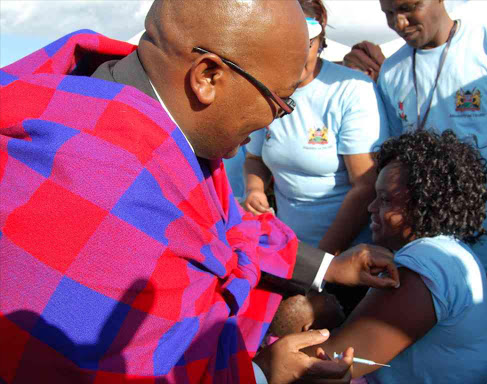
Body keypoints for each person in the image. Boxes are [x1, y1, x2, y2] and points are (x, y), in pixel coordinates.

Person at [0, 1, 400, 383]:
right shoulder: (105, 187)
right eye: (279, 102)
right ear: (208, 76)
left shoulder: (138, 105)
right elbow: (133, 370)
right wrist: (263, 373)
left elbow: (224, 227)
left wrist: (328, 266)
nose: (274, 123)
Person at [308, 130, 487, 384]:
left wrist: (279, 332)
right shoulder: (450, 251)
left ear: (426, 204)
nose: (371, 208)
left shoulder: (426, 262)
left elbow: (328, 368)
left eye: (386, 199)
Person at [376, 0, 487, 333]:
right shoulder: (391, 71)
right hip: (426, 254)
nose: (399, 21)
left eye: (408, 7)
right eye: (388, 12)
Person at [244, 0, 389, 256]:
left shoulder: (352, 89)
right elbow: (255, 158)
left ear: (320, 38)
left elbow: (365, 186)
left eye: (305, 44)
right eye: (285, 44)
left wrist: (322, 261)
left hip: (346, 254)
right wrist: (255, 190)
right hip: (288, 249)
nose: (294, 54)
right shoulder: (265, 88)